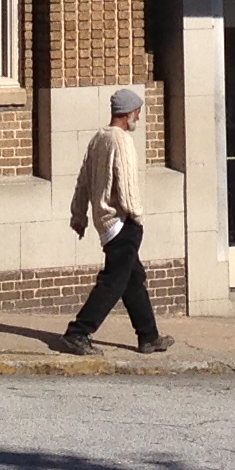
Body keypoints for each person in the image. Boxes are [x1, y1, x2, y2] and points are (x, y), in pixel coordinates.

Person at [59, 86, 170, 358]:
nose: (139, 119)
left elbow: (83, 180)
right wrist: (137, 215)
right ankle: (78, 332)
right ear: (129, 113)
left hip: (106, 224)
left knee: (133, 279)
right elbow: (127, 182)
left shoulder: (98, 139)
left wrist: (79, 214)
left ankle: (149, 336)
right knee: (113, 282)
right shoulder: (121, 141)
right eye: (138, 113)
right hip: (121, 222)